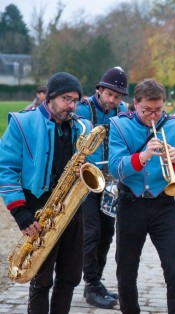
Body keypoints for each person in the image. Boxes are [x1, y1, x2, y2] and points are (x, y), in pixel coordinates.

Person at [0, 72, 92, 313]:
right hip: (38, 207)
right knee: (41, 280)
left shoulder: (79, 126)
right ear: (50, 97)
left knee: (70, 276)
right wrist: (20, 212)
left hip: (71, 208)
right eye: (66, 99)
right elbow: (5, 169)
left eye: (75, 100)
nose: (71, 106)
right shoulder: (22, 122)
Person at [108, 79, 175, 313]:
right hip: (130, 202)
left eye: (158, 110)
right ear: (135, 104)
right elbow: (116, 169)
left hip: (163, 203)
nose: (153, 116)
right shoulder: (119, 125)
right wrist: (143, 156)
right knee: (126, 270)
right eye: (146, 111)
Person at [75, 66, 129, 308]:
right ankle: (91, 283)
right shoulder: (83, 108)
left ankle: (96, 282)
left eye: (117, 97)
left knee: (107, 232)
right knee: (91, 232)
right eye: (109, 94)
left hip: (110, 182)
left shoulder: (123, 111)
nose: (113, 101)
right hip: (85, 179)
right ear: (99, 90)